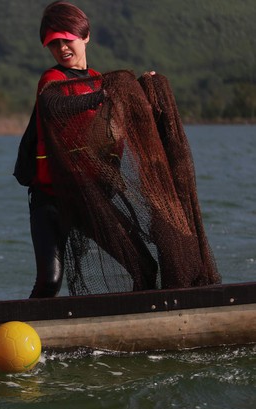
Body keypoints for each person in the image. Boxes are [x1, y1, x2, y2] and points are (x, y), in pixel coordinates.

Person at [13, 1, 158, 298]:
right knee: (50, 281)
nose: (62, 48)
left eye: (67, 40)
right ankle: (22, 332)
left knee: (144, 265)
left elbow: (127, 119)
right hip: (50, 201)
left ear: (85, 36)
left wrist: (144, 91)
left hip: (89, 199)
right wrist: (103, 96)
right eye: (54, 44)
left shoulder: (101, 81)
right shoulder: (51, 81)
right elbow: (54, 106)